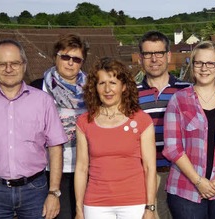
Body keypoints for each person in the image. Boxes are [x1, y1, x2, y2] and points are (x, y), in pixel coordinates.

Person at [0, 39, 68, 219]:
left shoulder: (43, 101)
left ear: (24, 65)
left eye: (15, 63)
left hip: (35, 191)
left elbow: (56, 148)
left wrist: (54, 193)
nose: (9, 69)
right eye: (2, 64)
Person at [162, 41, 215, 219]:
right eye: (199, 63)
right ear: (193, 66)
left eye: (210, 63)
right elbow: (173, 148)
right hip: (185, 191)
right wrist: (199, 181)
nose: (204, 68)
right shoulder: (179, 100)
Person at [74, 57, 156, 219]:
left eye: (112, 83)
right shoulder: (84, 122)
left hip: (135, 203)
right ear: (94, 88)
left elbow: (149, 167)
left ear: (124, 86)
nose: (107, 89)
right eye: (101, 83)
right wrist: (79, 209)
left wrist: (150, 207)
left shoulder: (142, 120)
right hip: (95, 204)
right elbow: (82, 168)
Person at [30, 33, 89, 219]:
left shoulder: (92, 89)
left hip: (85, 167)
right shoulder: (38, 87)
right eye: (65, 57)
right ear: (56, 56)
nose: (70, 63)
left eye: (76, 59)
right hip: (49, 170)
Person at [136, 30, 191, 219]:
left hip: (183, 174)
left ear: (168, 55)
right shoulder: (130, 95)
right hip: (148, 176)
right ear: (140, 59)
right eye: (148, 54)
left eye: (159, 53)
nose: (154, 59)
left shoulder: (187, 90)